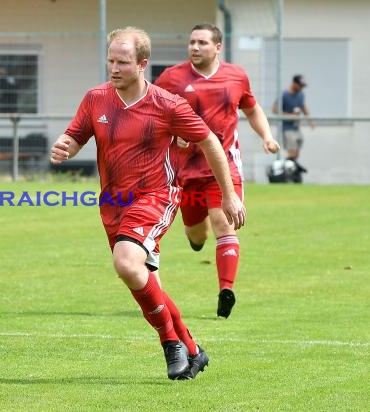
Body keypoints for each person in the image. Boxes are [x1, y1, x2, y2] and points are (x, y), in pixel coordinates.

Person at [51, 26, 246, 380]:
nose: (114, 68)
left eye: (122, 62)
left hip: (156, 196)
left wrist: (229, 194)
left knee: (126, 263)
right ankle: (192, 349)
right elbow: (77, 134)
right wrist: (66, 145)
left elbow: (210, 142)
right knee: (141, 275)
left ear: (142, 64)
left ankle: (169, 342)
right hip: (113, 203)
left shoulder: (167, 104)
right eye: (110, 60)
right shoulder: (96, 98)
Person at [154, 23, 279, 318]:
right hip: (185, 172)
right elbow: (153, 111)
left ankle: (226, 290)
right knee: (196, 235)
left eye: (202, 43)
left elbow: (251, 109)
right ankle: (197, 239)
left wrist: (267, 137)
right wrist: (173, 132)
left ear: (217, 47)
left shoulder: (236, 76)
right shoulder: (172, 77)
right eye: (192, 42)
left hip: (223, 169)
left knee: (224, 224)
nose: (195, 47)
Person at [272, 74, 314, 181]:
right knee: (292, 152)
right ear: (294, 83)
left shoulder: (301, 94)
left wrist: (309, 119)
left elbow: (303, 106)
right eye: (299, 85)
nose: (301, 88)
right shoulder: (285, 95)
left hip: (296, 127)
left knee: (297, 152)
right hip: (287, 128)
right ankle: (285, 173)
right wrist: (288, 116)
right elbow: (274, 109)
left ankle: (290, 169)